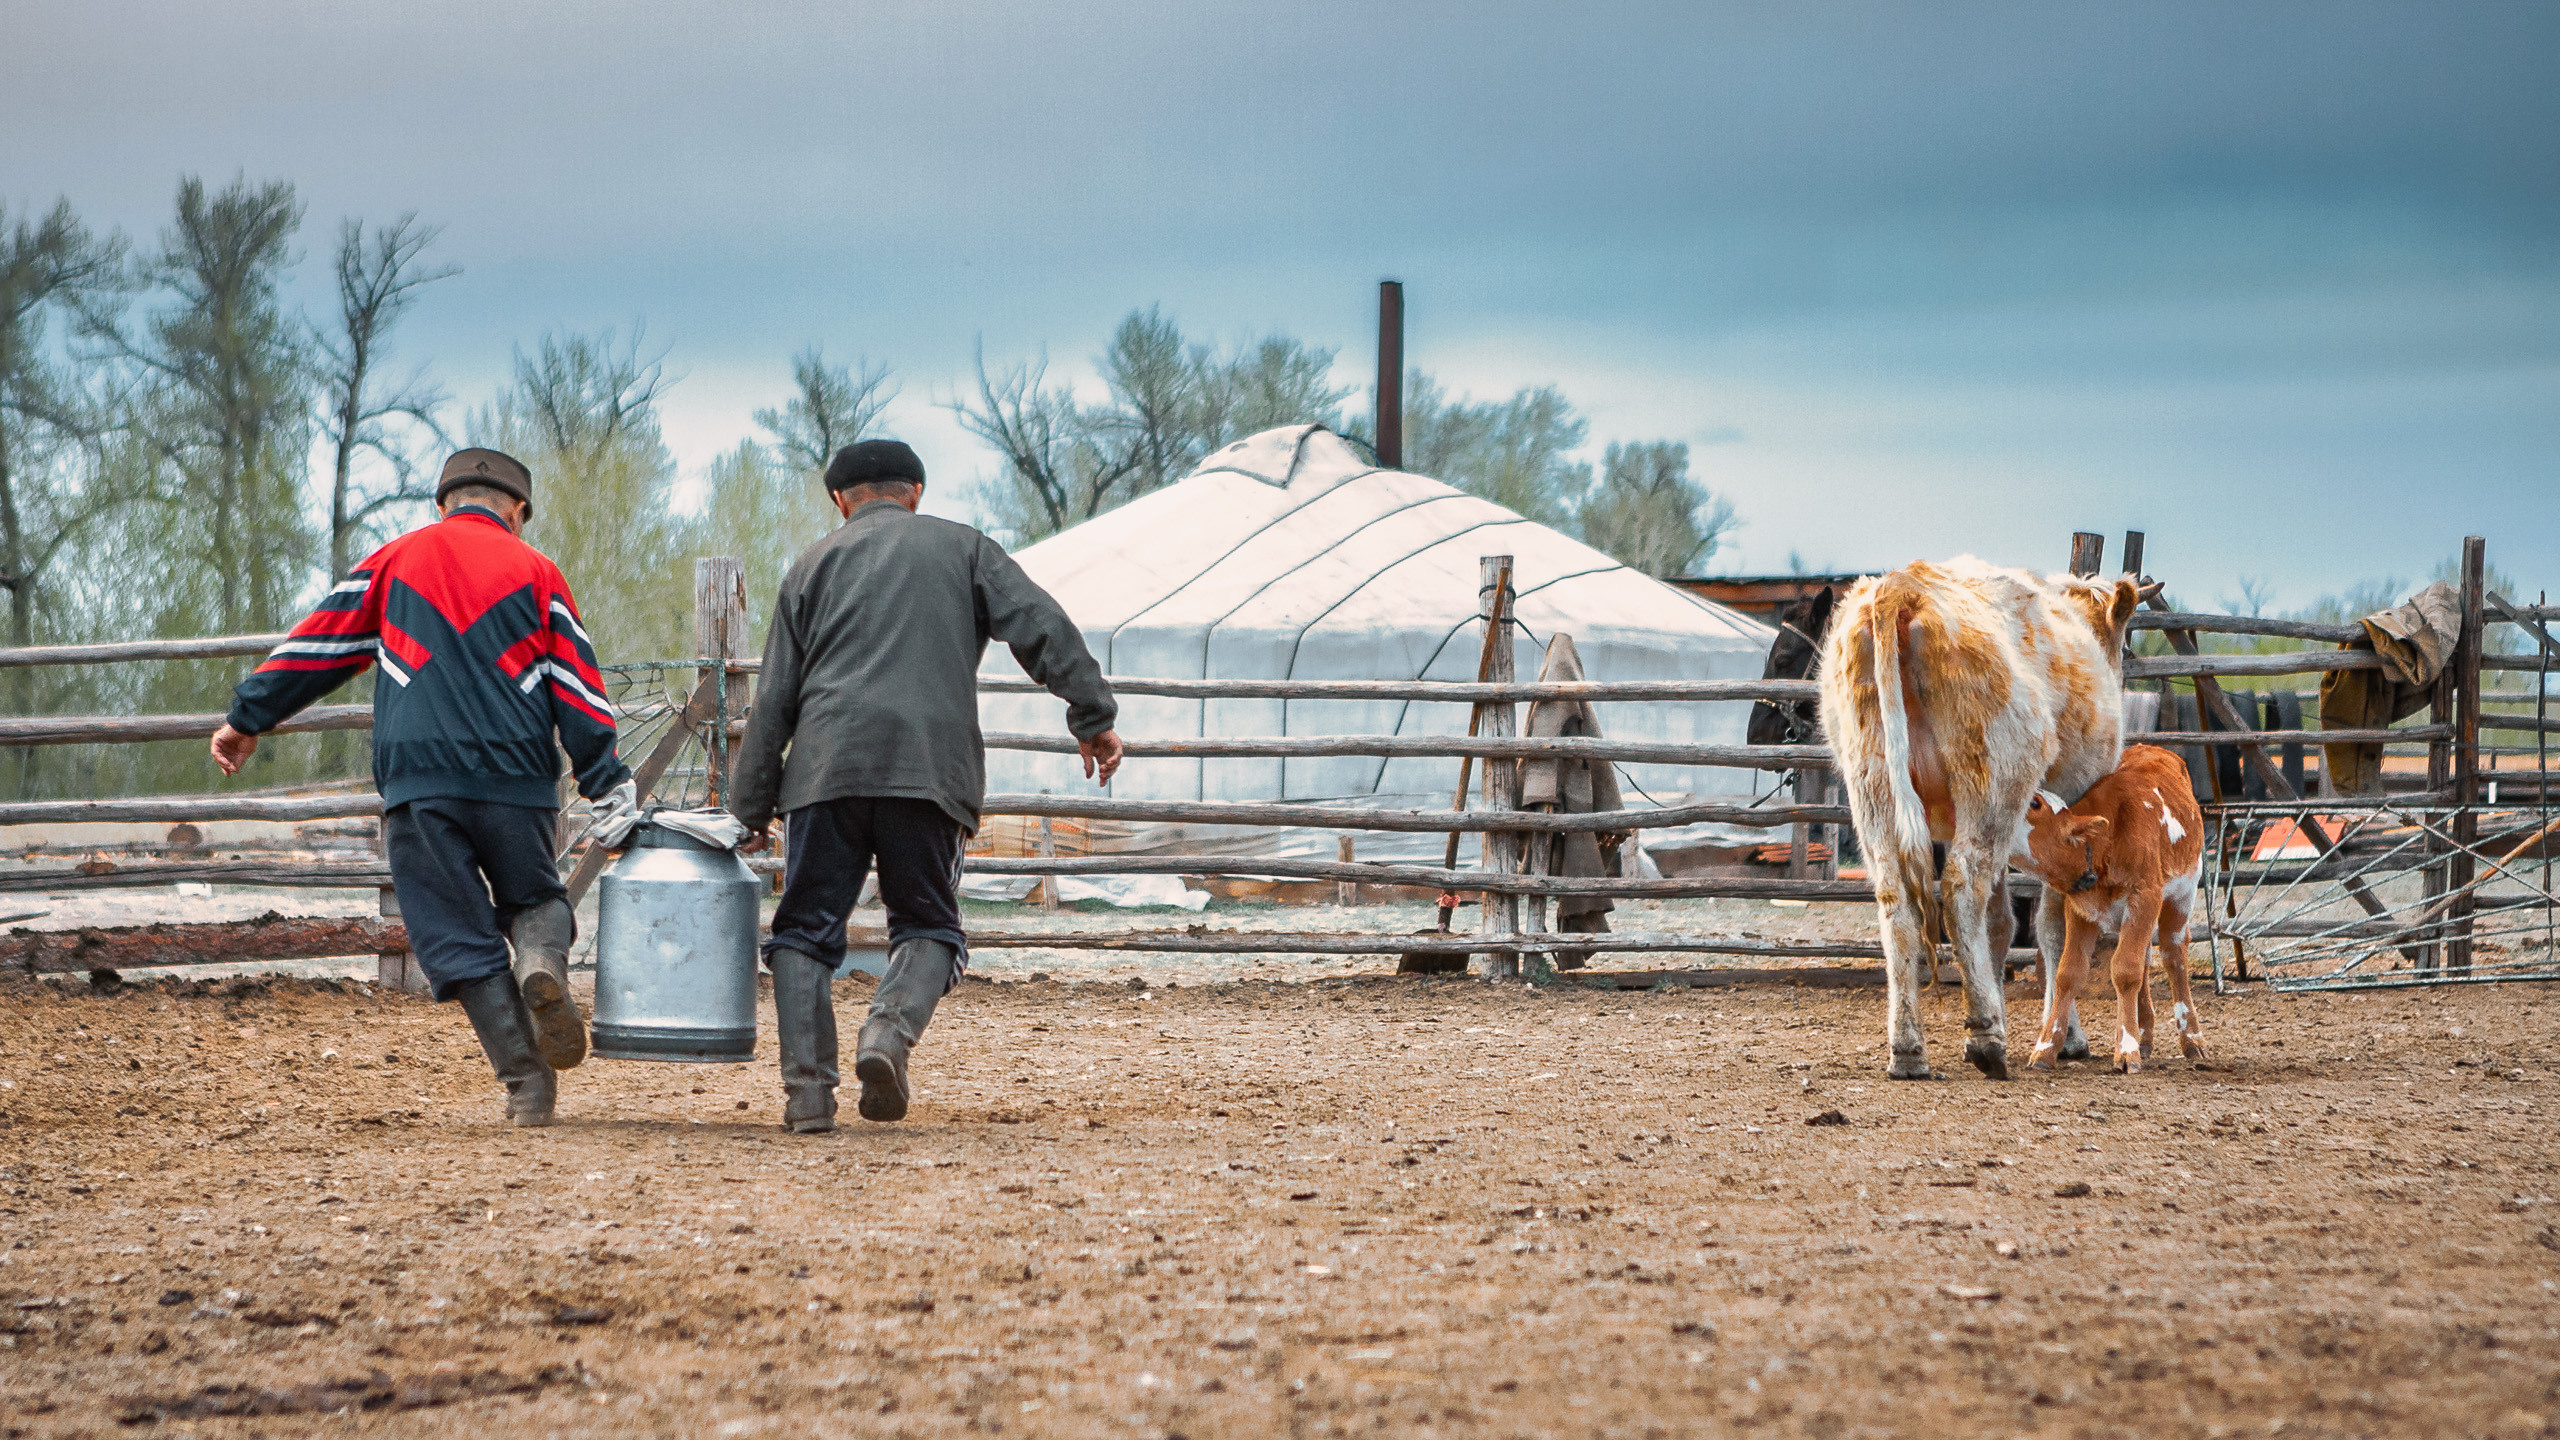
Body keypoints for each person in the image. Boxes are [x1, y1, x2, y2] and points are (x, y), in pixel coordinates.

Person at [210, 448, 639, 1127]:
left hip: (420, 782)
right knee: (534, 897)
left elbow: (319, 645)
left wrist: (247, 716)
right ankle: (540, 959)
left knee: (452, 933)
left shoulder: (396, 561)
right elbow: (577, 685)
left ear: (442, 503)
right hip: (517, 774)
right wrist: (604, 776)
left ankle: (528, 1085)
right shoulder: (536, 572)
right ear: (518, 511)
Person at [732, 439, 1120, 1134]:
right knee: (929, 923)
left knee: (803, 930)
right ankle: (884, 1038)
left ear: (838, 500)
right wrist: (1092, 715)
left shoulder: (808, 568)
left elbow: (775, 699)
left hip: (825, 772)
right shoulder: (965, 548)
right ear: (916, 490)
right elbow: (1041, 625)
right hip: (928, 770)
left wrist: (751, 805)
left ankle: (808, 1098)